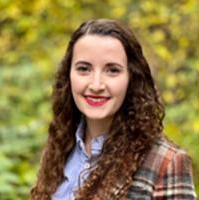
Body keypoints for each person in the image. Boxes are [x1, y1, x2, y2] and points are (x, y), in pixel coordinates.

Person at [31, 19, 197, 200]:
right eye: (84, 69)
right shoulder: (60, 148)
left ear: (131, 78)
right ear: (68, 75)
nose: (96, 85)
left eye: (112, 70)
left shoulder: (166, 162)